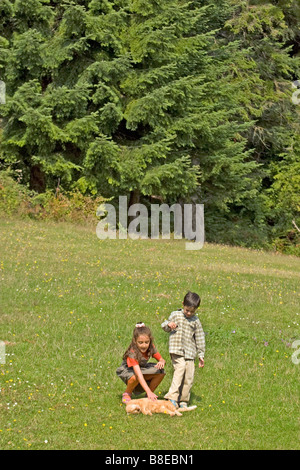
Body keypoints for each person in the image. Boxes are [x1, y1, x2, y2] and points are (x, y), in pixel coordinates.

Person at [161, 291, 205, 409]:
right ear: (183, 305)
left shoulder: (195, 321)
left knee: (188, 376)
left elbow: (200, 337)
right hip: (176, 350)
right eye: (187, 310)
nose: (189, 313)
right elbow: (164, 325)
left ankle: (183, 400)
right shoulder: (175, 315)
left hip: (190, 352)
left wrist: (201, 354)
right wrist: (169, 325)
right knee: (180, 368)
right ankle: (172, 397)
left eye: (192, 311)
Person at [116, 322, 166, 404]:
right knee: (135, 377)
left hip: (142, 367)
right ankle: (127, 393)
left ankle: (148, 396)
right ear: (135, 341)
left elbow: (161, 359)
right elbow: (139, 374)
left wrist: (161, 362)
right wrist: (148, 390)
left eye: (147, 342)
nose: (144, 345)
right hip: (129, 370)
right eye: (140, 342)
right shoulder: (132, 353)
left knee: (161, 372)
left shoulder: (151, 347)